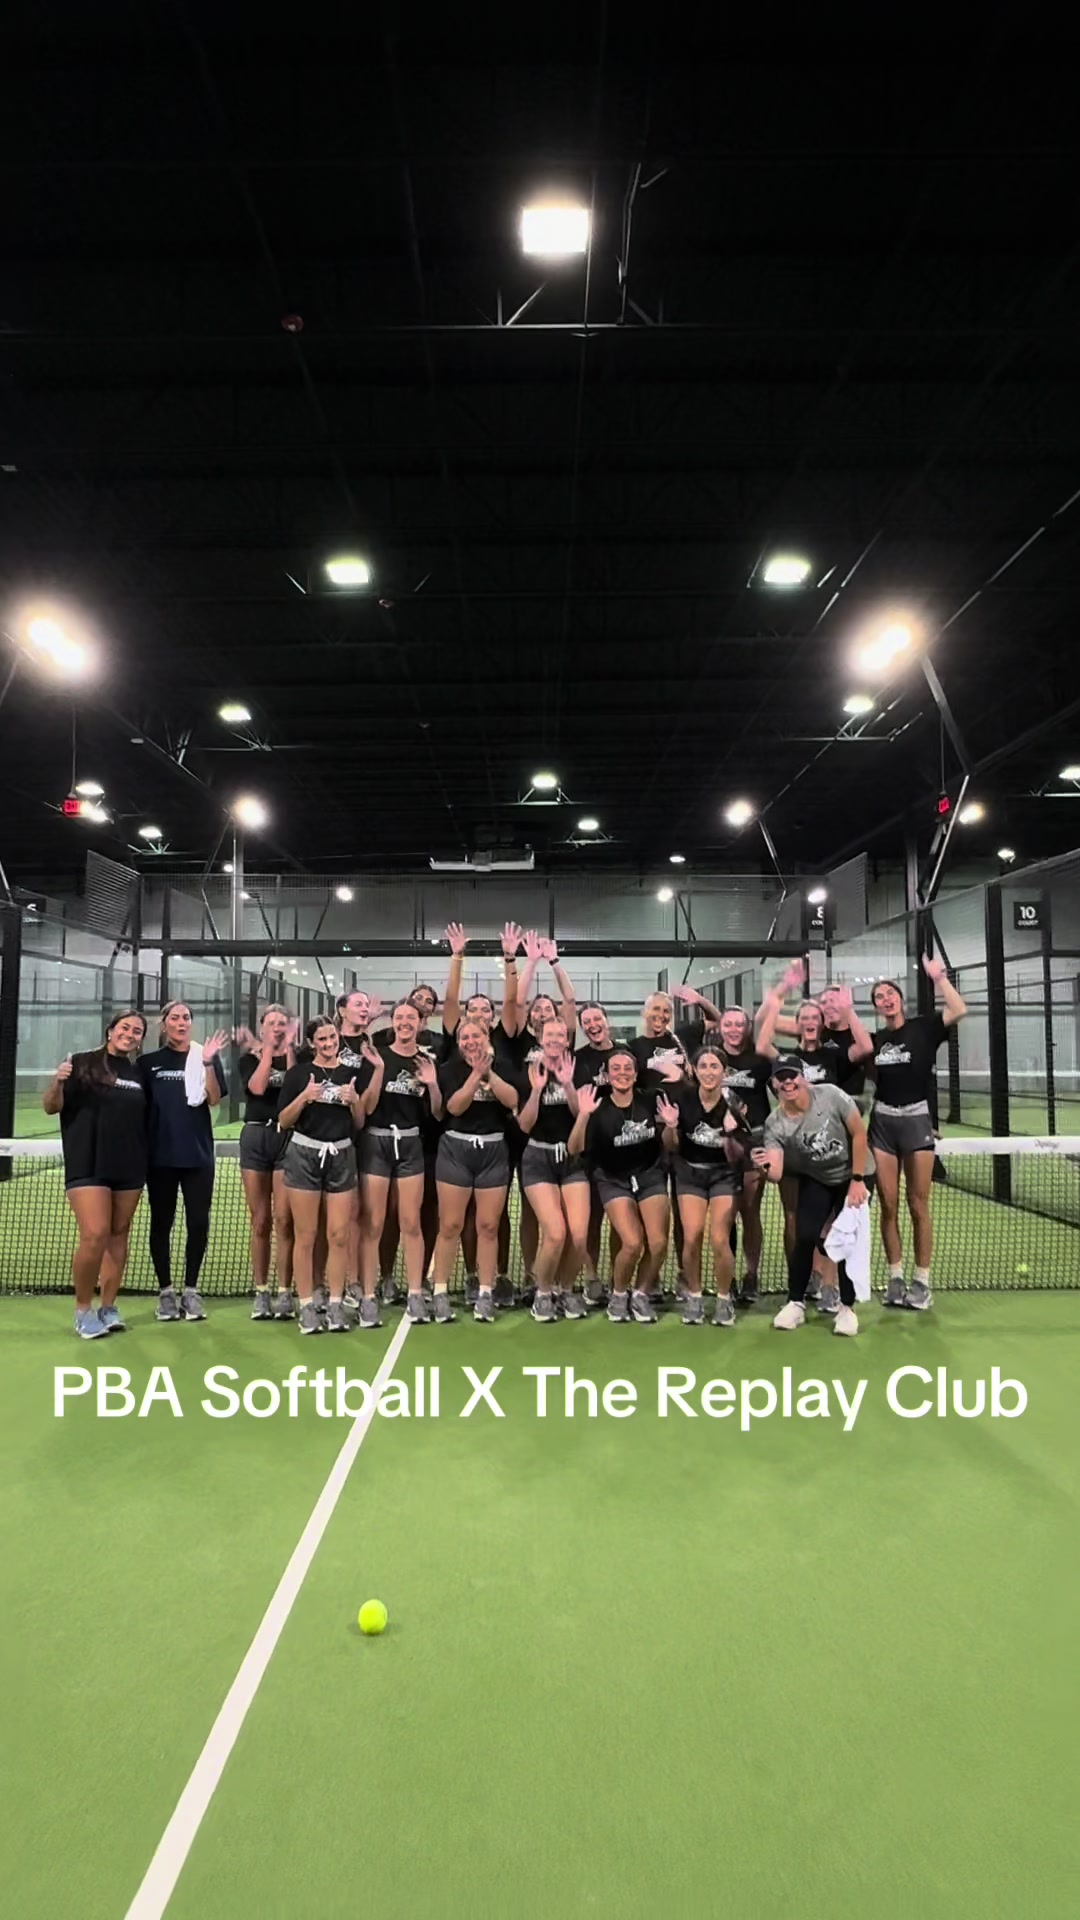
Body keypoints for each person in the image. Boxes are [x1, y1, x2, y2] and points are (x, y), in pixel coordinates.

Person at [854, 955, 966, 1310]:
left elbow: (958, 1009)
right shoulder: (876, 1040)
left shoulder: (924, 1028)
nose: (886, 999)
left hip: (916, 1120)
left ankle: (922, 1282)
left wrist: (939, 978)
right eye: (879, 997)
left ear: (900, 999)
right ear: (876, 1006)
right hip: (883, 1124)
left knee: (917, 1204)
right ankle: (895, 1278)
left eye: (890, 993)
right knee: (887, 1206)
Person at [42, 1010, 149, 1338]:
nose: (130, 1034)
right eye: (125, 1027)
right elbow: (51, 1106)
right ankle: (83, 1310)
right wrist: (58, 1081)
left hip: (129, 1165)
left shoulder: (138, 1073)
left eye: (137, 1031)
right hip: (87, 1162)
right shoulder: (81, 1063)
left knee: (118, 1235)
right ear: (110, 1031)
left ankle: (108, 1307)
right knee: (95, 1234)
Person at [754, 1056, 872, 1337]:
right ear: (774, 1084)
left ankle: (847, 1308)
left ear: (803, 1077)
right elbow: (776, 1173)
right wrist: (764, 1168)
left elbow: (858, 1133)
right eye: (781, 1078)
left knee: (847, 1241)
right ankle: (795, 1303)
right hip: (818, 1178)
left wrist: (857, 1181)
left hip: (853, 1174)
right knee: (805, 1236)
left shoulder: (830, 1095)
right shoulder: (775, 1124)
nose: (787, 1082)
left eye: (792, 1076)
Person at [277, 1018, 379, 1334]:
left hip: (342, 1156)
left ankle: (335, 1304)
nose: (329, 1043)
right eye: (321, 1039)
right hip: (304, 1155)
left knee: (339, 1234)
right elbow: (284, 1120)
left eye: (332, 1036)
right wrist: (304, 1096)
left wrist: (354, 1102)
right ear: (312, 1043)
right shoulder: (298, 1075)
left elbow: (359, 1122)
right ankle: (307, 1305)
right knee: (306, 1234)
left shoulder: (350, 1074)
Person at [139, 1003, 229, 1321]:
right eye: (175, 1018)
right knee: (161, 1223)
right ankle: (165, 1292)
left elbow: (214, 1098)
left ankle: (191, 1292)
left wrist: (207, 1063)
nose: (181, 1023)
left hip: (198, 1156)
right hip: (160, 1158)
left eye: (186, 1018)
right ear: (164, 1024)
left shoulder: (205, 1056)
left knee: (198, 1222)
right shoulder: (147, 1064)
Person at [359, 1000, 444, 1322]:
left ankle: (415, 1294)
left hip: (410, 1145)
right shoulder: (376, 1057)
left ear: (421, 1023)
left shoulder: (426, 1061)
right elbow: (367, 1108)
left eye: (411, 1017)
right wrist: (379, 1071)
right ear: (392, 1022)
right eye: (399, 1017)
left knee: (411, 1222)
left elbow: (438, 1112)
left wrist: (432, 1083)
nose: (405, 1022)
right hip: (377, 1143)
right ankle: (369, 1295)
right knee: (374, 1224)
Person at [569, 1051, 668, 1324]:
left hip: (649, 1175)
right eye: (616, 1068)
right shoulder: (597, 1107)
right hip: (612, 1178)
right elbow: (574, 1148)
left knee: (658, 1243)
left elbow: (683, 1099)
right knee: (633, 1243)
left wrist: (680, 1079)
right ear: (607, 1075)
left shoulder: (651, 1099)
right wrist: (583, 1115)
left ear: (635, 1074)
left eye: (627, 1068)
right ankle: (619, 1294)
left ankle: (640, 1294)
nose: (622, 1073)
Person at [432, 1018, 518, 1323]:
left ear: (486, 1037)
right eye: (464, 1038)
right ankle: (440, 1292)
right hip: (456, 1149)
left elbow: (512, 1100)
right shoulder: (449, 1070)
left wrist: (489, 1073)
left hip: (493, 1151)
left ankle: (485, 1293)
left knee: (489, 1226)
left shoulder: (503, 1066)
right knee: (451, 1225)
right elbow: (454, 1107)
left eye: (476, 1036)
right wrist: (474, 1076)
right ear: (458, 1043)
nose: (470, 1042)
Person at [661, 1044, 747, 1328]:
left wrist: (731, 1134)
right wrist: (670, 1126)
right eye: (703, 1066)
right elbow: (671, 1146)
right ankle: (694, 1297)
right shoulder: (683, 1098)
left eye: (714, 1066)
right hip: (690, 1174)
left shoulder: (734, 1101)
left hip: (724, 1174)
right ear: (695, 1071)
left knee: (720, 1238)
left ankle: (724, 1299)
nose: (709, 1072)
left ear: (724, 1072)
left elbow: (738, 1154)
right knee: (692, 1235)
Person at [517, 1016, 586, 1322]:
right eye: (550, 1035)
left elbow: (581, 1113)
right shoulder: (530, 1070)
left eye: (560, 1035)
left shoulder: (579, 1068)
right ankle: (543, 1293)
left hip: (572, 1159)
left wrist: (568, 1084)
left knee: (579, 1236)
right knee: (555, 1233)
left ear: (567, 1040)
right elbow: (525, 1124)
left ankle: (566, 1290)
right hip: (538, 1157)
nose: (555, 1040)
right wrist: (536, 1090)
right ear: (540, 1038)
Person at [236, 1005, 298, 1322]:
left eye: (282, 1023)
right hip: (256, 1138)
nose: (277, 1027)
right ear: (262, 1028)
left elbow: (295, 1089)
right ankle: (261, 1292)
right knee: (260, 1221)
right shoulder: (248, 1060)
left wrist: (288, 1051)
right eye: (271, 1023)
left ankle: (285, 1292)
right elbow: (258, 1088)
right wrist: (267, 1053)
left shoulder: (298, 1059)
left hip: (288, 1138)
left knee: (285, 1220)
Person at [713, 1005, 776, 1306]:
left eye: (740, 1024)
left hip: (754, 1142)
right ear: (720, 1028)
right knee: (725, 1215)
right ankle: (728, 1278)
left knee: (750, 1213)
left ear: (748, 1028)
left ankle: (751, 1275)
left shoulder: (759, 1060)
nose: (734, 1030)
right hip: (720, 1144)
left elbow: (782, 1089)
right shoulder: (712, 1058)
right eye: (728, 1024)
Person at [574, 1002, 620, 1306]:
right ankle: (591, 1278)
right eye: (586, 1022)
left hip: (623, 1150)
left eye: (597, 1019)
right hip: (592, 1150)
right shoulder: (579, 1060)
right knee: (591, 1221)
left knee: (621, 1221)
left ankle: (618, 1279)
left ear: (606, 1020)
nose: (593, 1025)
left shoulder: (626, 1053)